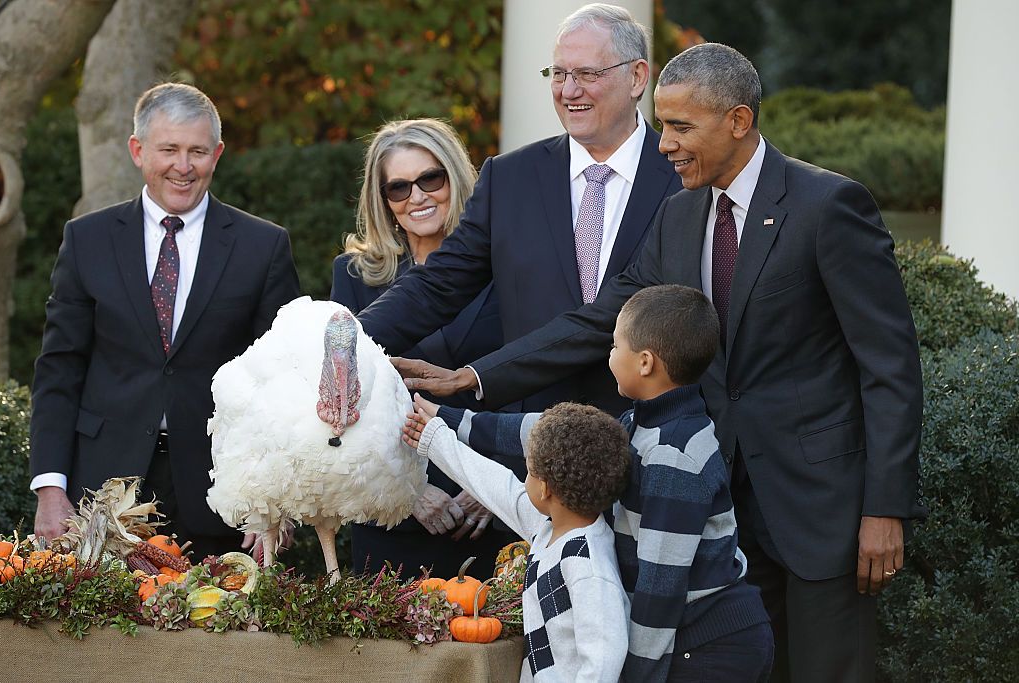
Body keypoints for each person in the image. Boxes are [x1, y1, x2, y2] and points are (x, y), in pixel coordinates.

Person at [396, 44, 927, 682]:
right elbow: (601, 319)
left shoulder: (829, 206)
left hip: (820, 511)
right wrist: (475, 378)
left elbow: (889, 366)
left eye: (680, 127)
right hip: (717, 516)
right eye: (662, 123)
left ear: (737, 121)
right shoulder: (678, 214)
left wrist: (885, 508)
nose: (665, 142)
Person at [414, 285, 772, 681]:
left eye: (615, 345)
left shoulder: (674, 459)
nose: (609, 354)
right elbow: (549, 434)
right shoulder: (640, 422)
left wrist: (633, 677)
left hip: (711, 644)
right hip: (683, 637)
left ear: (645, 363)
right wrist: (452, 421)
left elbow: (660, 592)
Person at [357, 3, 682, 418]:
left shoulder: (683, 178)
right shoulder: (509, 178)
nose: (568, 91)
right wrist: (343, 337)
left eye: (586, 74)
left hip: (652, 435)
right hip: (527, 445)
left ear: (637, 77)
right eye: (559, 74)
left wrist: (477, 375)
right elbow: (438, 283)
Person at [29, 83, 300, 560]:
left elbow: (283, 385)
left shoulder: (263, 247)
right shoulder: (87, 240)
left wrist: (275, 502)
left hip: (223, 499)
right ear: (138, 150)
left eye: (197, 151)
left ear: (217, 155)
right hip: (100, 501)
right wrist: (50, 487)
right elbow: (59, 368)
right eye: (169, 149)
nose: (183, 165)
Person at [330, 118, 513, 579]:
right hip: (391, 519)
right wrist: (407, 493)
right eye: (399, 187)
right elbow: (344, 399)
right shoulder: (354, 276)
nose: (418, 196)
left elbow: (526, 376)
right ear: (384, 201)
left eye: (431, 178)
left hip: (491, 510)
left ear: (456, 178)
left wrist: (492, 482)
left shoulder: (505, 266)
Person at [404, 401, 631, 682]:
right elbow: (496, 486)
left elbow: (604, 660)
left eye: (528, 470)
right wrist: (435, 439)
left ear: (545, 488)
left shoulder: (588, 567)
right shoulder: (550, 529)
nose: (523, 478)